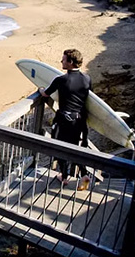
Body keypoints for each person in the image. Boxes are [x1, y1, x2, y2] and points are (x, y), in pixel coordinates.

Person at [39, 49, 91, 190]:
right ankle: (84, 174)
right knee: (75, 147)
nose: (61, 61)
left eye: (63, 60)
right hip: (79, 120)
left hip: (64, 120)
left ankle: (64, 176)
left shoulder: (61, 80)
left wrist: (40, 89)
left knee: (60, 147)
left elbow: (45, 93)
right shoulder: (87, 79)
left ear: (70, 62)